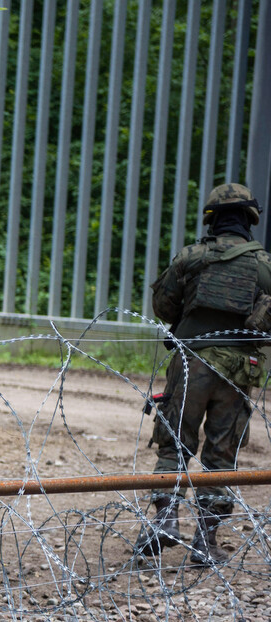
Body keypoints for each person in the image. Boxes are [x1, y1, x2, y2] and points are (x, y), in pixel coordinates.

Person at [135, 183, 270, 565]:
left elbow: (163, 306)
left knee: (174, 443)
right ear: (250, 219)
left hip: (192, 363)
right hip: (239, 370)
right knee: (221, 456)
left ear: (211, 218)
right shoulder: (264, 264)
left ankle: (165, 521)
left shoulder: (191, 257)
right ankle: (205, 543)